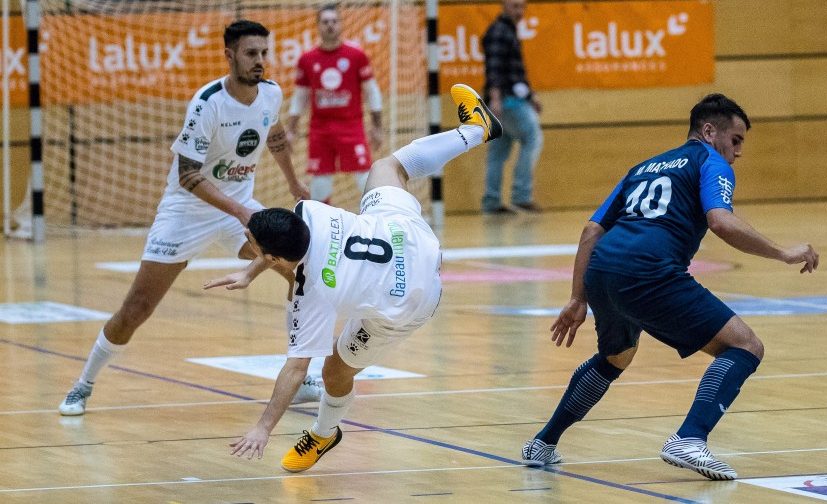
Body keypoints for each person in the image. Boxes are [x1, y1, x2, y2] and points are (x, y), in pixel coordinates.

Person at [519, 94, 819, 481]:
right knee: (745, 346)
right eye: (736, 140)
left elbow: (592, 230)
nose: (738, 152)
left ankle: (542, 443)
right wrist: (782, 252)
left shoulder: (644, 167)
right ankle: (689, 439)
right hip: (649, 272)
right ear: (709, 131)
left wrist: (578, 298)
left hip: (602, 271)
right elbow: (720, 221)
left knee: (615, 357)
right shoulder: (710, 162)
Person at [210, 84, 502, 472]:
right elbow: (277, 249)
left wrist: (263, 428)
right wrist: (250, 272)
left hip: (412, 300)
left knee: (334, 370)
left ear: (275, 257)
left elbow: (296, 369)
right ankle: (476, 130)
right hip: (413, 238)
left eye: (254, 246)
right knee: (387, 168)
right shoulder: (309, 210)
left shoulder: (314, 295)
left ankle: (324, 433)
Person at [57, 20, 317, 416]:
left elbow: (276, 135)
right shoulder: (207, 103)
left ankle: (300, 378)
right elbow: (188, 175)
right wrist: (242, 211)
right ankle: (83, 384)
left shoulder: (271, 93)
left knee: (298, 272)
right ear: (229, 55)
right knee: (138, 307)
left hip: (239, 208)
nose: (260, 61)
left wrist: (293, 182)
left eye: (264, 53)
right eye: (251, 53)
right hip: (188, 212)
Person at [287, 4, 384, 205]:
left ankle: (378, 216)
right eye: (325, 22)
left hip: (351, 126)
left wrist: (377, 126)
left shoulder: (356, 55)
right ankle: (320, 221)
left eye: (334, 21)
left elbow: (372, 91)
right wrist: (291, 129)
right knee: (320, 180)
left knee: (365, 177)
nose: (330, 25)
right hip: (320, 129)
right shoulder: (307, 59)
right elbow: (300, 97)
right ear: (318, 26)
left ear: (341, 24)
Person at [481, 0, 543, 214]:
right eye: (515, 6)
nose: (520, 11)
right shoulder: (500, 31)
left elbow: (513, 71)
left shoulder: (506, 30)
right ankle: (521, 196)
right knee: (532, 138)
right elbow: (494, 69)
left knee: (498, 152)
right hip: (508, 101)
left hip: (504, 100)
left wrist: (530, 95)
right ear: (504, 5)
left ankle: (492, 201)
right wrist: (496, 98)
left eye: (522, 7)